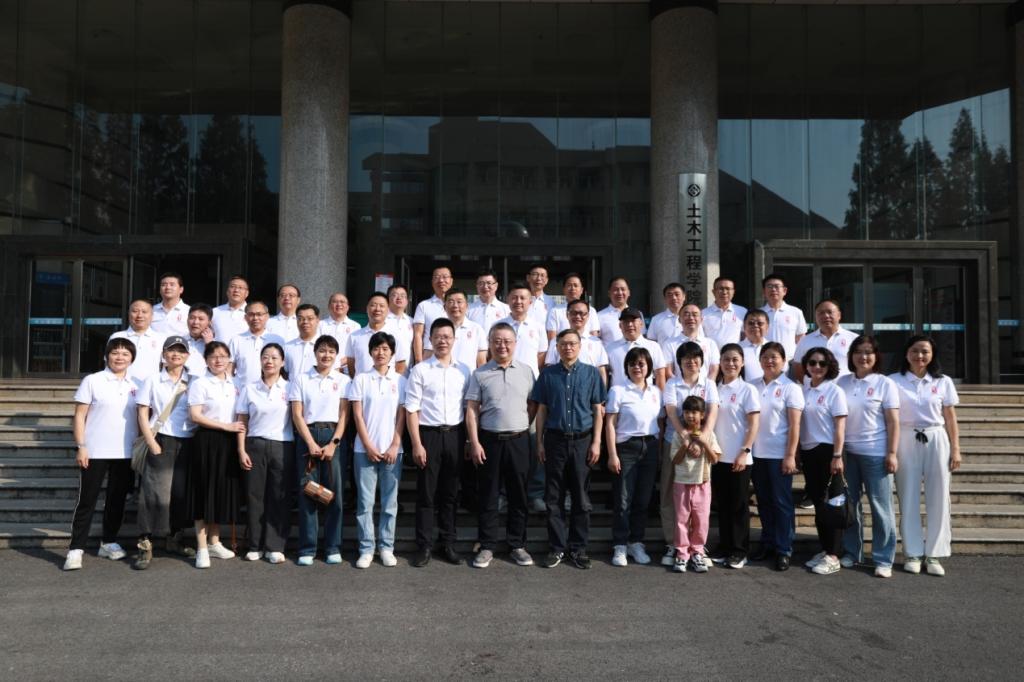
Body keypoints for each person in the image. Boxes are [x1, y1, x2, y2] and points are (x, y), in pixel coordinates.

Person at [63, 338, 141, 571]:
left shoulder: (136, 384)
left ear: (132, 359)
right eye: (115, 353)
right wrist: (81, 445)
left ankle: (108, 542)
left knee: (117, 500)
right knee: (87, 500)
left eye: (125, 354)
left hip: (125, 452)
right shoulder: (93, 380)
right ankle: (75, 549)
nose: (119, 357)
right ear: (106, 356)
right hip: (95, 450)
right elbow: (79, 415)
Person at [533, 329, 607, 569]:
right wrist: (539, 442)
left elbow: (598, 410)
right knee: (553, 497)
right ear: (557, 347)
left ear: (580, 346)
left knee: (581, 498)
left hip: (582, 441)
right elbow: (542, 410)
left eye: (572, 343)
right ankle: (557, 548)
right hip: (555, 441)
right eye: (563, 344)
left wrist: (597, 442)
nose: (568, 348)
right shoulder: (548, 374)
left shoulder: (591, 373)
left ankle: (578, 548)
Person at [465, 322, 537, 569]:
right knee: (488, 495)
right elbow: (472, 410)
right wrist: (474, 442)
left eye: (507, 341)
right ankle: (487, 545)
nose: (502, 346)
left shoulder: (526, 371)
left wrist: (520, 424)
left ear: (515, 344)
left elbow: (532, 405)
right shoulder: (480, 373)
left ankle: (517, 544)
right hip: (489, 441)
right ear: (490, 343)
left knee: (519, 495)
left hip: (519, 440)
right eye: (497, 341)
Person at [890, 335, 961, 576]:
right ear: (906, 353)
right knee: (908, 495)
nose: (919, 356)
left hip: (936, 437)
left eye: (925, 351)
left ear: (932, 355)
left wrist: (956, 448)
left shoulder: (943, 382)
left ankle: (934, 554)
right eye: (915, 350)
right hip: (905, 438)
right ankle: (912, 552)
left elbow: (950, 417)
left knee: (939, 495)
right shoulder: (893, 381)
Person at [406, 319, 471, 567]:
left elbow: (468, 408)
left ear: (454, 339)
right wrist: (416, 443)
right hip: (429, 436)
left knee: (450, 494)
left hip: (455, 435)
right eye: (438, 337)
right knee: (426, 494)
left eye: (447, 336)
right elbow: (412, 409)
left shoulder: (464, 370)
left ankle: (448, 543)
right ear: (430, 339)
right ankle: (424, 546)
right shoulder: (421, 370)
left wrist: (468, 440)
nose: (442, 341)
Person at [836, 335, 899, 578]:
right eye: (858, 352)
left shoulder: (885, 383)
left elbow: (893, 422)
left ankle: (883, 558)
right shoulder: (843, 382)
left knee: (881, 507)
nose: (863, 357)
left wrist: (891, 453)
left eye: (868, 352)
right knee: (851, 506)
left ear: (876, 356)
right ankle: (853, 552)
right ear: (851, 356)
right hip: (848, 453)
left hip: (876, 453)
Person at [133, 336, 197, 570]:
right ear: (163, 354)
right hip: (161, 439)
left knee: (180, 494)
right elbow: (142, 413)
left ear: (187, 355)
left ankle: (175, 538)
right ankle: (145, 544)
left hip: (188, 441)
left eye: (181, 351)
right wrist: (151, 442)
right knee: (153, 493)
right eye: (171, 350)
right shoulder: (152, 380)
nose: (176, 354)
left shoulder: (195, 381)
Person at [289, 335, 350, 566]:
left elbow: (344, 415)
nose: (326, 355)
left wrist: (334, 443)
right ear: (315, 353)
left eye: (331, 351)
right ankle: (308, 548)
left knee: (334, 494)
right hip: (308, 436)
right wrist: (310, 443)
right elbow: (297, 414)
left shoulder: (343, 380)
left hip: (333, 436)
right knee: (308, 492)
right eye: (322, 350)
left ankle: (333, 546)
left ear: (336, 355)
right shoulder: (301, 378)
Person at [349, 332, 407, 569]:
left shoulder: (401, 381)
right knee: (365, 503)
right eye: (376, 348)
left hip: (393, 450)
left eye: (385, 349)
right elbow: (357, 416)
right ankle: (366, 548)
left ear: (392, 353)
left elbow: (402, 416)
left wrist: (395, 444)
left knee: (389, 502)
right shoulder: (361, 379)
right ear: (370, 352)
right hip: (364, 451)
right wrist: (368, 445)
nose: (380, 353)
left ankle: (386, 547)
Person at [187, 341, 246, 569]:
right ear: (206, 360)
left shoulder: (237, 383)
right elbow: (195, 416)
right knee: (203, 492)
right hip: (207, 441)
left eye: (222, 356)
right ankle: (201, 547)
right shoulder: (200, 383)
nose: (218, 360)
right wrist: (225, 426)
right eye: (213, 356)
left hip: (229, 443)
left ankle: (214, 541)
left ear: (229, 359)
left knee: (221, 492)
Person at [235, 342, 295, 565]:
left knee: (279, 497)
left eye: (274, 357)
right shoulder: (250, 388)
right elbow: (242, 420)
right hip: (255, 445)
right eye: (265, 357)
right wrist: (241, 449)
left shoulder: (290, 388)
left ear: (282, 362)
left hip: (282, 445)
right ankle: (255, 545)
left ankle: (275, 546)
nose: (269, 361)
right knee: (255, 497)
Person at [660, 342, 719, 567]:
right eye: (686, 359)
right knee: (670, 495)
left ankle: (697, 547)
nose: (691, 362)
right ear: (679, 362)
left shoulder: (709, 384)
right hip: (674, 441)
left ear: (701, 361)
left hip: (703, 444)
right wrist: (685, 436)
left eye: (695, 358)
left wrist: (702, 437)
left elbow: (712, 411)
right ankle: (673, 543)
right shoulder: (672, 383)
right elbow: (671, 411)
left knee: (699, 503)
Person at [750, 342, 804, 571]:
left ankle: (784, 549)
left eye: (774, 357)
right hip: (756, 454)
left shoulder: (791, 388)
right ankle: (768, 542)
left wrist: (791, 455)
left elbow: (795, 425)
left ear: (784, 361)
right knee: (764, 501)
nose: (769, 361)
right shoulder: (752, 386)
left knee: (782, 502)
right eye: (765, 357)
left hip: (779, 454)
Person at [605, 347, 661, 567]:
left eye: (641, 364)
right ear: (626, 367)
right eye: (632, 364)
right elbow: (610, 424)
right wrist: (612, 454)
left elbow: (661, 422)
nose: (637, 368)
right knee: (623, 500)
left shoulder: (656, 391)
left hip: (650, 446)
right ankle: (620, 544)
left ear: (649, 367)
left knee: (643, 499)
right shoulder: (618, 390)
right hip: (626, 448)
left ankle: (636, 542)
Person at [797, 347, 849, 576]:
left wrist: (837, 455)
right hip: (809, 452)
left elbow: (840, 426)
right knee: (819, 503)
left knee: (833, 504)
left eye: (822, 363)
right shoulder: (805, 390)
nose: (816, 367)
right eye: (812, 362)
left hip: (829, 451)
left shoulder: (834, 391)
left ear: (830, 367)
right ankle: (825, 548)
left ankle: (834, 554)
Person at [709, 343, 760, 569]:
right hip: (717, 456)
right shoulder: (714, 388)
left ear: (742, 363)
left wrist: (745, 450)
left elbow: (754, 423)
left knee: (738, 506)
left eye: (735, 360)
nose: (730, 364)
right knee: (723, 505)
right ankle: (725, 546)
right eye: (726, 359)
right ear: (720, 363)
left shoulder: (748, 390)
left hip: (739, 457)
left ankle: (739, 551)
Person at [669, 396, 722, 574]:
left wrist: (704, 444)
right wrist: (685, 446)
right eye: (687, 412)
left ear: (702, 415)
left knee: (701, 519)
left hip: (702, 482)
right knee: (681, 519)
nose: (690, 416)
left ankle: (697, 551)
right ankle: (682, 553)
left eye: (694, 412)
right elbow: (674, 460)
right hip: (681, 482)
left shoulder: (709, 435)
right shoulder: (679, 435)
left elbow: (715, 459)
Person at [543, 299, 609, 386]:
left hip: (589, 388)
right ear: (567, 315)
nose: (578, 316)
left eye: (582, 313)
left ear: (588, 316)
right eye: (574, 313)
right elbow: (550, 368)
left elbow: (601, 371)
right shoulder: (556, 341)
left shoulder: (596, 342)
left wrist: (602, 392)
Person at [345, 292, 409, 376]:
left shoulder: (397, 335)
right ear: (367, 308)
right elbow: (351, 364)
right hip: (361, 383)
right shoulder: (354, 336)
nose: (377, 309)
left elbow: (400, 365)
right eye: (373, 305)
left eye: (382, 306)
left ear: (388, 310)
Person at [792, 299, 859, 382]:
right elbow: (798, 367)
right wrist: (810, 386)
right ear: (816, 316)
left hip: (846, 388)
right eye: (821, 313)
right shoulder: (805, 340)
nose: (826, 316)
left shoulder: (853, 339)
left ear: (839, 315)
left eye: (830, 312)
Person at [605, 308, 667, 389]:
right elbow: (605, 375)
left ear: (641, 324)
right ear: (620, 326)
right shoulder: (610, 348)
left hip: (646, 394)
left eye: (633, 320)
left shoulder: (653, 346)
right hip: (619, 395)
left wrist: (660, 396)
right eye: (626, 321)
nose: (630, 324)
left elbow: (660, 375)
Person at [227, 301, 285, 386]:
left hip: (271, 390)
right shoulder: (236, 340)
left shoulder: (277, 340)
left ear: (267, 316)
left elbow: (283, 369)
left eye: (259, 314)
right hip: (241, 390)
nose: (255, 318)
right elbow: (229, 369)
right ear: (245, 317)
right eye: (251, 314)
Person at [109, 299, 165, 381]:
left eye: (144, 312)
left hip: (150, 386)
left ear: (152, 315)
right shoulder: (117, 337)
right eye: (135, 311)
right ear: (129, 314)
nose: (139, 315)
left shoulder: (161, 338)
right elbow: (108, 364)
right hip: (120, 386)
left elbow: (166, 367)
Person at [661, 303, 720, 381]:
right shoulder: (669, 344)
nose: (691, 318)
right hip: (678, 387)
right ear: (679, 319)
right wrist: (681, 385)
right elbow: (668, 371)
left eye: (695, 315)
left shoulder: (711, 344)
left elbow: (713, 370)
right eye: (686, 314)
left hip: (705, 387)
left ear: (701, 319)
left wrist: (706, 386)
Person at [498, 282, 546, 374]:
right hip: (503, 376)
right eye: (514, 298)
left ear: (530, 302)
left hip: (529, 378)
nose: (518, 301)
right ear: (508, 300)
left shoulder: (538, 327)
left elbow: (541, 354)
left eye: (522, 298)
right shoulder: (498, 326)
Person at [760, 273, 806, 364]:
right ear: (764, 292)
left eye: (777, 286)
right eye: (769, 286)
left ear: (784, 291)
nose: (773, 289)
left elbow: (800, 338)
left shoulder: (795, 312)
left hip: (790, 362)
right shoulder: (758, 314)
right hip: (764, 362)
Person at [434, 288, 486, 368]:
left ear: (467, 306)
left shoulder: (477, 329)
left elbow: (481, 362)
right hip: (442, 374)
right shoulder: (438, 329)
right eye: (451, 302)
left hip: (468, 376)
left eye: (459, 302)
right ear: (444, 307)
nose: (455, 306)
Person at [413, 266, 452, 364]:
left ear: (451, 281)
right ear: (432, 282)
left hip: (454, 353)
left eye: (445, 277)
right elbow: (418, 334)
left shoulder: (459, 306)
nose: (441, 280)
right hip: (430, 353)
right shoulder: (424, 305)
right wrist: (418, 360)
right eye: (437, 277)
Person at [545, 272, 600, 341]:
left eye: (575, 285)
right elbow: (552, 338)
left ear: (581, 290)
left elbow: (594, 335)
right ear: (564, 289)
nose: (572, 288)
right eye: (569, 285)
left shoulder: (591, 310)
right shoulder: (555, 311)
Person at [319, 292, 361, 373]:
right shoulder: (320, 325)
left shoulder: (355, 326)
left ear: (348, 307)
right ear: (329, 306)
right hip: (324, 370)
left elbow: (356, 351)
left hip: (347, 371)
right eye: (335, 302)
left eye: (342, 302)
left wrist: (339, 364)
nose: (339, 304)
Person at [702, 277, 747, 349]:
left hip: (735, 354)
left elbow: (745, 335)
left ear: (733, 292)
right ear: (713, 292)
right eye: (721, 289)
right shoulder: (703, 313)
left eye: (728, 289)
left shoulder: (742, 312)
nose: (724, 292)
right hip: (712, 354)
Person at [598, 276, 645, 345]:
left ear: (629, 292)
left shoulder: (638, 314)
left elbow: (642, 338)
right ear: (609, 293)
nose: (620, 293)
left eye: (623, 289)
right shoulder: (599, 316)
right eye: (616, 289)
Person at [467, 268, 510, 332]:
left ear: (496, 286)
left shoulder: (506, 309)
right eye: (481, 283)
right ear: (477, 286)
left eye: (489, 283)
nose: (485, 287)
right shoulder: (468, 310)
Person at [284, 303, 320, 378]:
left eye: (310, 318)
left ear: (317, 320)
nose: (305, 322)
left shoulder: (325, 347)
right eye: (300, 318)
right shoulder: (287, 347)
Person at [151, 272, 190, 337]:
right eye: (163, 285)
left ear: (181, 289)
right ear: (160, 290)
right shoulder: (151, 310)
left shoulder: (189, 311)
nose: (168, 287)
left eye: (172, 284)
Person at [212, 275, 249, 342]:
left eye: (240, 287)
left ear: (247, 293)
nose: (236, 290)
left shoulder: (253, 313)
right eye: (232, 286)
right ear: (227, 291)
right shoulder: (215, 312)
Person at [385, 284, 415, 365]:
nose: (399, 298)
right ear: (387, 299)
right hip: (386, 367)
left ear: (407, 301)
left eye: (403, 296)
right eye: (394, 295)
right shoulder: (382, 320)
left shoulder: (412, 321)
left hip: (408, 368)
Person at [184, 303, 215, 377]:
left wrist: (209, 345)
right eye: (192, 318)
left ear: (209, 323)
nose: (195, 322)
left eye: (201, 319)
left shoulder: (216, 345)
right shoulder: (180, 342)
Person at [739, 309, 769, 383]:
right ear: (744, 327)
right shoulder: (736, 349)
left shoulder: (774, 349)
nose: (755, 326)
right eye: (751, 323)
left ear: (767, 327)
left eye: (760, 323)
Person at [527, 264, 556, 329]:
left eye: (542, 275)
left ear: (546, 280)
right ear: (528, 278)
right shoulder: (521, 300)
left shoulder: (551, 302)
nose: (539, 278)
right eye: (535, 274)